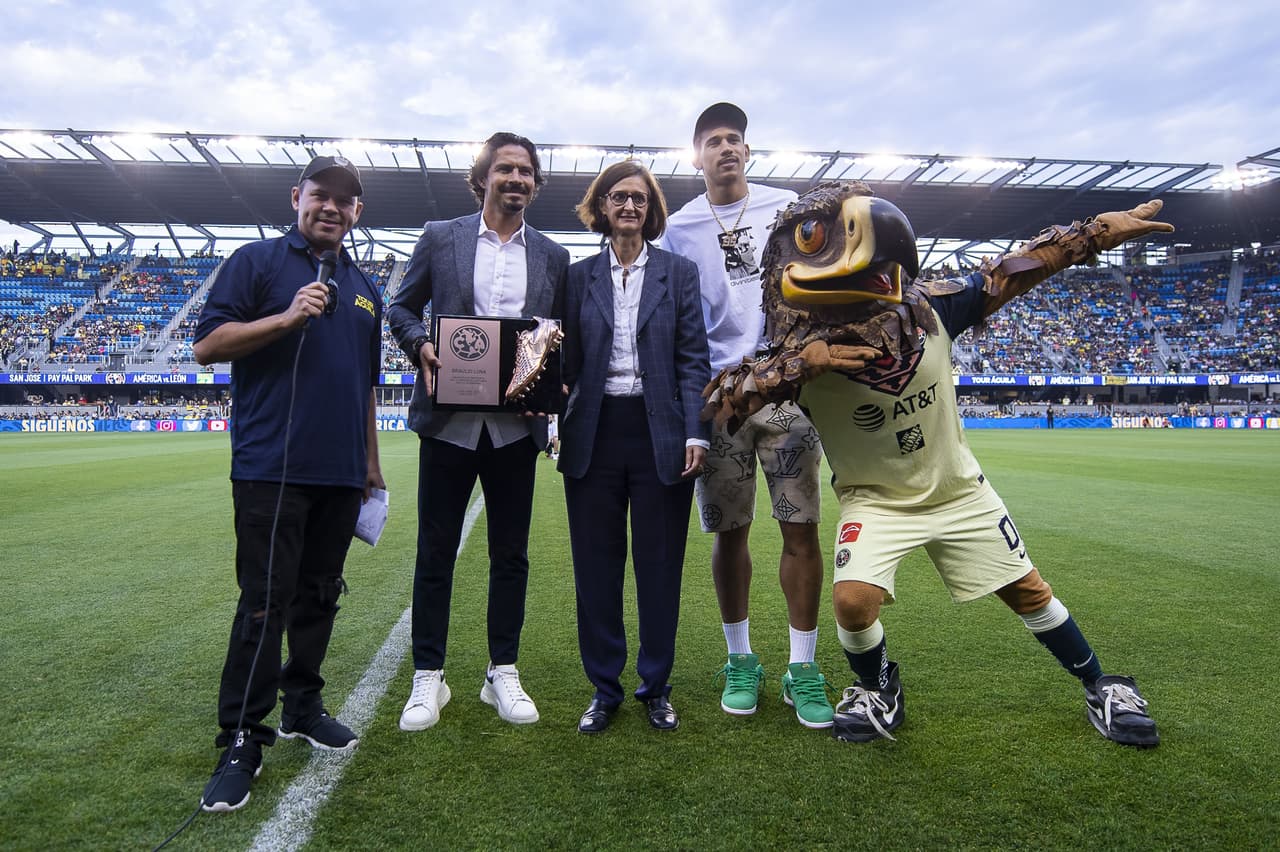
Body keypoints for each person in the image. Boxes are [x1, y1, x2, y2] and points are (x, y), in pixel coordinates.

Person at [703, 181, 1167, 747]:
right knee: (852, 602)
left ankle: (1102, 685)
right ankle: (878, 689)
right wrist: (798, 365)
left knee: (1029, 592)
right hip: (875, 499)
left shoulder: (935, 307)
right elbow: (723, 402)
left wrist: (1095, 232)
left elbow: (1012, 271)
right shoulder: (794, 361)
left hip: (958, 491)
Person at [192, 155, 384, 812]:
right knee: (264, 602)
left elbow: (365, 384)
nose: (332, 208)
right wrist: (285, 319)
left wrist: (372, 464)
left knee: (321, 595)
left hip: (338, 473)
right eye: (321, 196)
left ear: (358, 213)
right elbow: (207, 346)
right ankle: (242, 735)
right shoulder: (258, 262)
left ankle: (303, 705)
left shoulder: (364, 286)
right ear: (297, 196)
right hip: (270, 467)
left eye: (346, 201)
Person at [660, 102, 834, 728]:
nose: (726, 148)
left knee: (800, 528)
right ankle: (740, 660)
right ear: (697, 155)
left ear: (748, 151)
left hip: (785, 392)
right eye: (713, 140)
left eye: (735, 139)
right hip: (720, 399)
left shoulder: (787, 208)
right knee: (727, 533)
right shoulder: (678, 228)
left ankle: (803, 665)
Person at [388, 132, 569, 731]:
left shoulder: (552, 255)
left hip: (516, 429)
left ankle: (502, 672)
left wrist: (553, 383)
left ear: (535, 184)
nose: (515, 179)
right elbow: (401, 308)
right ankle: (428, 678)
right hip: (449, 424)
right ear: (484, 177)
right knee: (434, 551)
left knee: (510, 554)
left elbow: (557, 332)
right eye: (505, 169)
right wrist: (422, 345)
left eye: (525, 172)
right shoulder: (441, 237)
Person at [559, 161, 711, 734]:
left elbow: (694, 358)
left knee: (659, 567)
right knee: (596, 569)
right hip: (594, 434)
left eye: (639, 199)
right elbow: (563, 361)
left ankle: (655, 686)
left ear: (652, 212)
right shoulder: (576, 277)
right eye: (618, 198)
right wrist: (555, 417)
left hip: (662, 434)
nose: (628, 207)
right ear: (601, 207)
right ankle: (604, 688)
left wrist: (698, 430)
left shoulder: (679, 272)